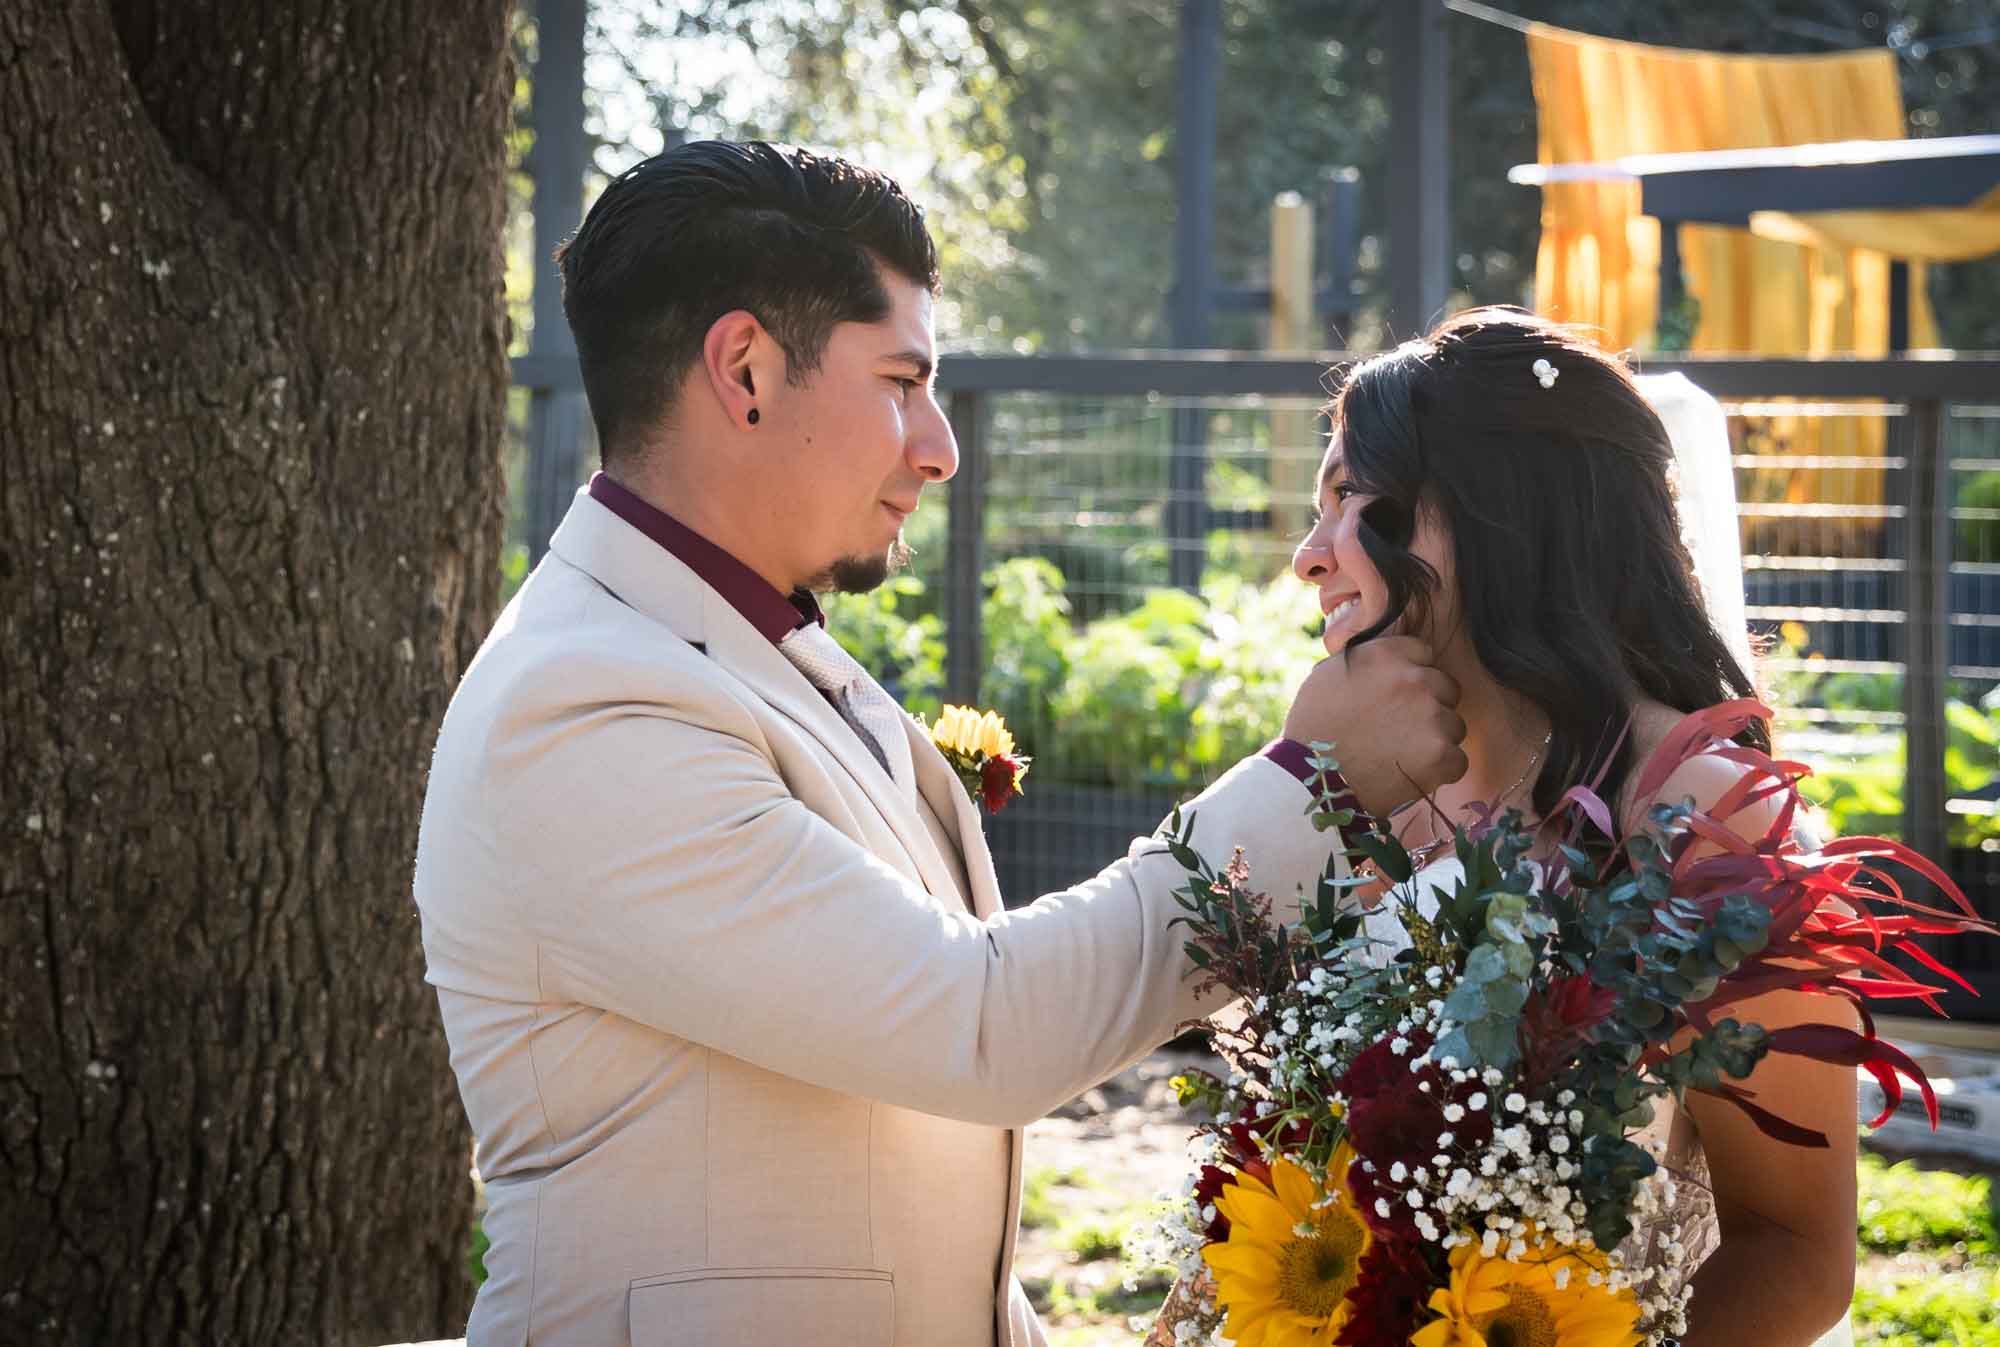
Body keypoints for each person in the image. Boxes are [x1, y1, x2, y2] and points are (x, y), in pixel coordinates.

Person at [411, 140, 1467, 1347]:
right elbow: (976, 1028)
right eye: (901, 382)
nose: (939, 447)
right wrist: (1308, 783)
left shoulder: (744, 652)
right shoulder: (586, 711)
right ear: (745, 369)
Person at [1156, 307, 1855, 1346]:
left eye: (1350, 496)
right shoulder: (1367, 796)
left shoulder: (1702, 817)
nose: (1306, 558)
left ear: (1498, 514)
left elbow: (1795, 1251)